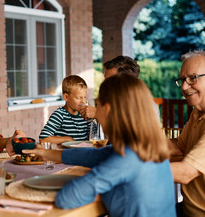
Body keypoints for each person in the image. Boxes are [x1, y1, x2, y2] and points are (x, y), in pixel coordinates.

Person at [24, 73, 176, 216]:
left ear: (107, 110)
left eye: (98, 104)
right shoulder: (142, 146)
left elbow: (66, 198)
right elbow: (91, 155)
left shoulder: (125, 160)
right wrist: (45, 153)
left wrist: (98, 187)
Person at [170, 50, 205, 216]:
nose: (184, 87)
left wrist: (124, 170)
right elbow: (178, 146)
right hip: (186, 210)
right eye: (183, 80)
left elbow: (185, 172)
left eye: (193, 78)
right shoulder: (198, 113)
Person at [39, 75, 94, 144]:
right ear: (66, 97)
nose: (83, 101)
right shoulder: (60, 115)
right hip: (65, 153)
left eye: (85, 97)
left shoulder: (86, 115)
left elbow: (94, 137)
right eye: (78, 98)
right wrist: (67, 139)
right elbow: (43, 138)